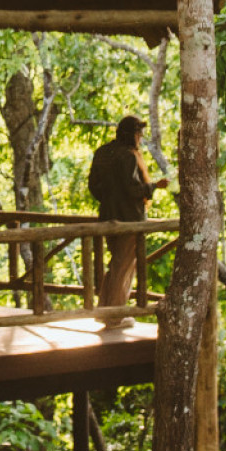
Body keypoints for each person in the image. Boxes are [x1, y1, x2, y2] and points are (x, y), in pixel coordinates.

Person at [87, 115, 168, 321]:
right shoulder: (129, 156)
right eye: (138, 133)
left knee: (116, 265)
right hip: (130, 220)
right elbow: (133, 190)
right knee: (123, 267)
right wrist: (154, 186)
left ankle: (104, 310)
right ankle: (114, 316)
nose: (140, 137)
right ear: (132, 134)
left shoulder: (103, 152)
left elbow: (94, 187)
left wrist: (109, 201)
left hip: (107, 217)